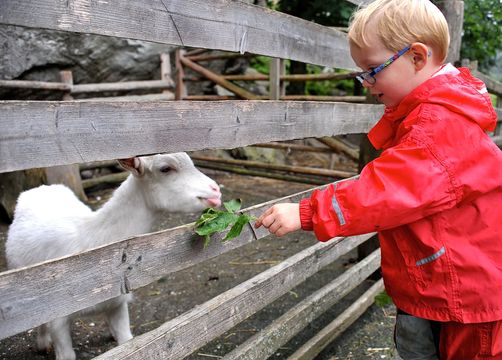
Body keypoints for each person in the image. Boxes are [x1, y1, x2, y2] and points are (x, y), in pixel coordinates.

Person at [255, 0, 502, 359]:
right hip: (441, 284)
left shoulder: (440, 126)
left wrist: (309, 212)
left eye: (373, 70)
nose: (366, 83)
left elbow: (389, 189)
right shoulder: (428, 116)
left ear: (417, 57)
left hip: (463, 298)